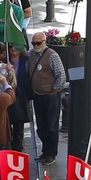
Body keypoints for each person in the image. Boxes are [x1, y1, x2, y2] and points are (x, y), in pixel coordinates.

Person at [23, 33, 67, 164]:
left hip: (50, 96)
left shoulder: (52, 55)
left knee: (51, 126)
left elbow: (61, 75)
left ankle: (51, 153)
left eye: (38, 43)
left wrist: (54, 91)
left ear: (44, 41)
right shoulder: (30, 54)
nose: (36, 46)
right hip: (38, 95)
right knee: (41, 126)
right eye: (34, 43)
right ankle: (45, 151)